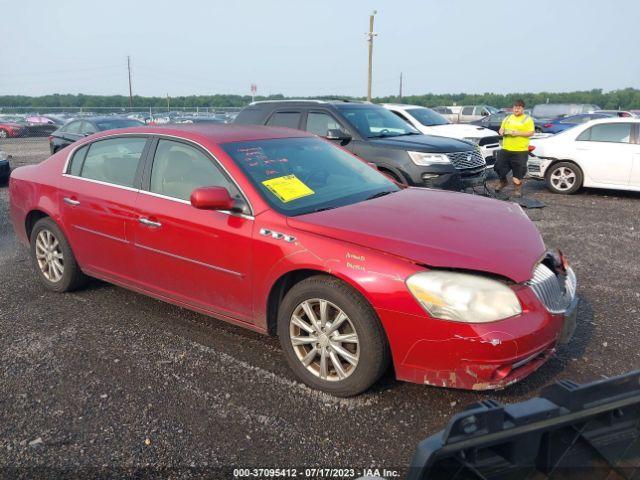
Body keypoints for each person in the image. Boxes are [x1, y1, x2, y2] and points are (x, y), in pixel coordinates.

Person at [494, 100, 535, 197]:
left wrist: (517, 133)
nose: (516, 109)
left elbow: (531, 133)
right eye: (515, 107)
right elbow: (501, 130)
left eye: (519, 107)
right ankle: (503, 182)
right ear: (513, 108)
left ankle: (517, 189)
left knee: (518, 173)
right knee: (498, 167)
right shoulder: (507, 118)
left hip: (520, 150)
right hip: (506, 149)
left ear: (522, 109)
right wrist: (502, 131)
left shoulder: (527, 119)